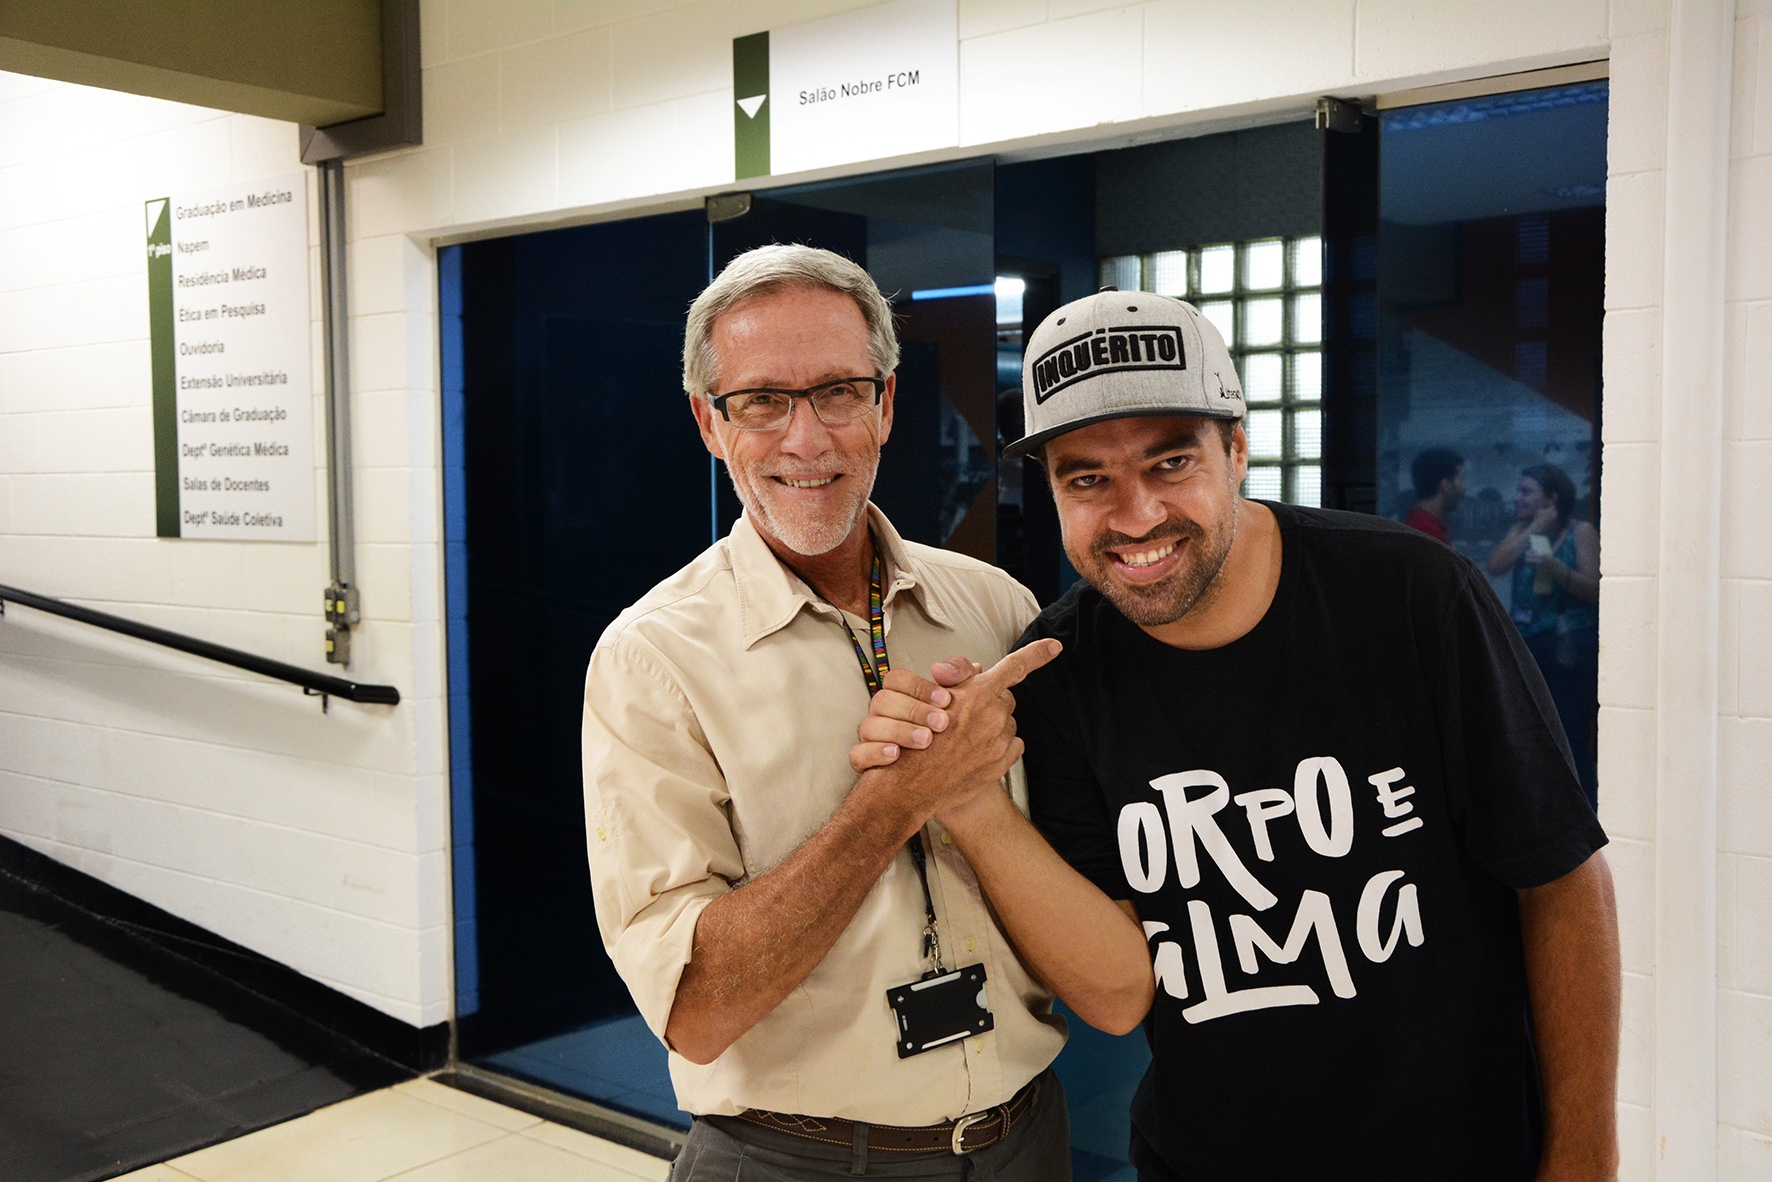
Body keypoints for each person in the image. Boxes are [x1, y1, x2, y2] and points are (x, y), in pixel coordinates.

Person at [853, 292, 1620, 1181]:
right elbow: (1116, 993)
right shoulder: (1057, 675)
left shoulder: (1412, 596)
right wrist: (969, 805)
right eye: (1086, 478)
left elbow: (1560, 880)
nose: (1136, 515)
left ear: (1238, 448)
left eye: (1170, 460)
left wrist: (1583, 1155)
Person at [581, 244, 1076, 1182]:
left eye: (841, 392)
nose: (807, 441)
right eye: (762, 400)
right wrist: (897, 801)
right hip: (793, 1159)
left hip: (1023, 1139)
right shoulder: (654, 660)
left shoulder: (994, 608)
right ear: (708, 424)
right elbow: (694, 1011)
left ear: (886, 405)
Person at [1485, 463, 1601, 807]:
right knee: (1529, 732)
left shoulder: (1580, 531)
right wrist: (1534, 527)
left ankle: (1581, 809)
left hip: (1569, 647)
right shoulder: (1522, 528)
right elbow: (1496, 565)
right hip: (1528, 642)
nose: (1517, 498)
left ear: (1552, 498)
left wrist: (1555, 568)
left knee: (1569, 733)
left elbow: (1594, 590)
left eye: (1526, 492)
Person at [1403, 446, 1465, 542]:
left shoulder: (1418, 524)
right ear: (1446, 486)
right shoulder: (1428, 532)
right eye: (1461, 481)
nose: (1464, 489)